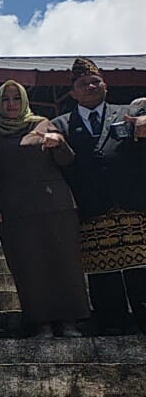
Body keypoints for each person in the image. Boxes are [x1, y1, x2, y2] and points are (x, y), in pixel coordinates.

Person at [0, 80, 88, 338]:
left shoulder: (42, 125)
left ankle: (69, 321)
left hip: (55, 205)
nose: (12, 104)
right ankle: (42, 323)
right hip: (15, 211)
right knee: (29, 266)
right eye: (6, 100)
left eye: (16, 98)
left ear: (24, 100)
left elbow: (67, 160)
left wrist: (58, 142)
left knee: (64, 263)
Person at [50, 58, 146, 335]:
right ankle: (111, 325)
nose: (91, 86)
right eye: (83, 84)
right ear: (73, 93)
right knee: (103, 273)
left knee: (141, 269)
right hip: (91, 208)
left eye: (95, 81)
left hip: (132, 204)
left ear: (106, 85)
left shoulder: (129, 111)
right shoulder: (61, 124)